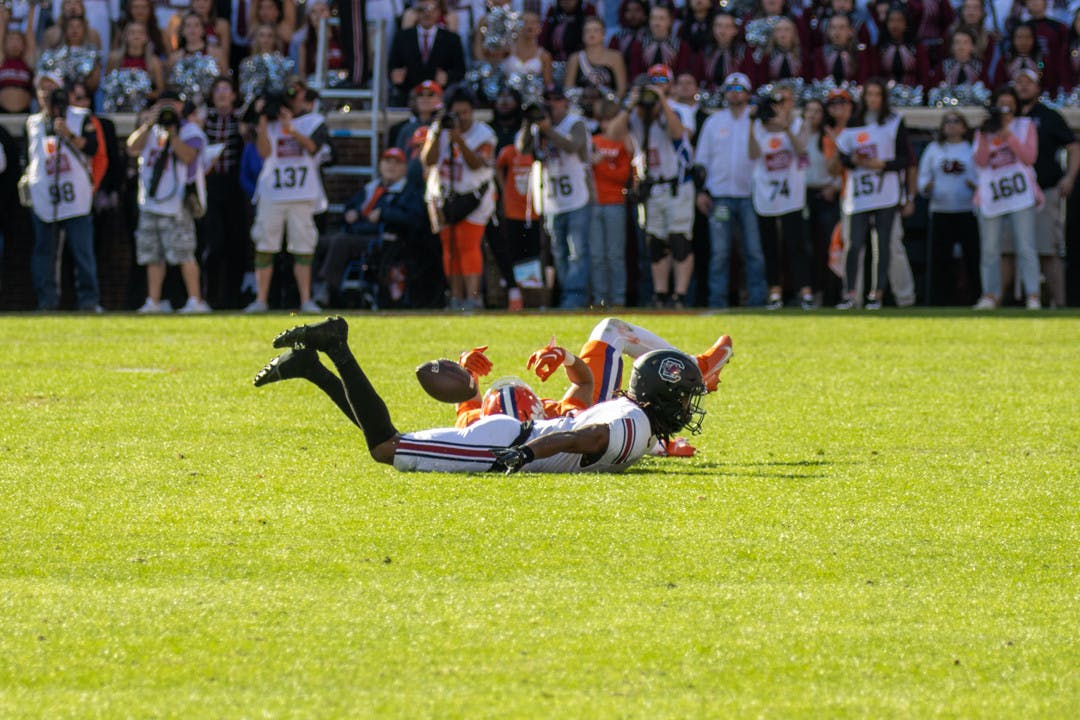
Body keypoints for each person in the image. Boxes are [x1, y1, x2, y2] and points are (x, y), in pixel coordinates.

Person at [253, 316, 710, 474]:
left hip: (510, 434)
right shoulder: (632, 427)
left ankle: (313, 367)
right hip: (507, 441)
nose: (689, 409)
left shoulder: (639, 422)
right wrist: (524, 456)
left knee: (390, 442)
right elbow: (582, 439)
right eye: (685, 398)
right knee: (385, 447)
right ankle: (336, 346)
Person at [245, 78, 329, 313]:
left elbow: (313, 148)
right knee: (265, 244)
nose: (294, 98)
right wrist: (263, 120)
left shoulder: (314, 121)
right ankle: (261, 300)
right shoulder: (270, 123)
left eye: (299, 93)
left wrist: (291, 129)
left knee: (303, 246)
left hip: (302, 193)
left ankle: (306, 299)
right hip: (273, 193)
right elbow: (264, 152)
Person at [126, 90, 211, 314]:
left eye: (170, 104)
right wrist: (148, 125)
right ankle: (152, 302)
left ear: (180, 106)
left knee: (184, 253)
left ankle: (195, 300)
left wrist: (173, 133)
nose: (167, 109)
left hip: (178, 203)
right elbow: (132, 148)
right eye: (162, 104)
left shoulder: (189, 130)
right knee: (152, 255)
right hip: (150, 201)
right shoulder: (150, 129)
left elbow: (189, 156)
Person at [24, 72, 100, 311]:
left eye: (52, 89)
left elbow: (93, 148)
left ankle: (88, 301)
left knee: (82, 252)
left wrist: (68, 133)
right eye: (42, 90)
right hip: (45, 195)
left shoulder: (80, 116)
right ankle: (46, 301)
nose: (47, 94)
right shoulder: (33, 122)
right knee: (43, 252)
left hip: (75, 195)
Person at [832, 78, 910, 310]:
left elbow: (905, 159)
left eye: (877, 94)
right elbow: (843, 155)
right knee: (854, 244)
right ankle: (850, 294)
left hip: (885, 191)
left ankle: (877, 294)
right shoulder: (853, 124)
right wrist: (854, 161)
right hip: (859, 194)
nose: (873, 99)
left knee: (883, 244)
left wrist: (882, 164)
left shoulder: (894, 122)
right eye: (869, 94)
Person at [315, 147, 425, 308]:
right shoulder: (371, 188)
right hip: (355, 232)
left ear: (404, 168)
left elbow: (414, 219)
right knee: (316, 242)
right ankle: (309, 289)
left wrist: (384, 213)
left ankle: (327, 289)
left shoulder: (407, 191)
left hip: (382, 239)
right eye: (387, 162)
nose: (391, 167)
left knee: (340, 242)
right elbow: (352, 206)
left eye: (397, 163)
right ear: (380, 165)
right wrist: (349, 213)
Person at [696, 72, 768, 308]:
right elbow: (702, 160)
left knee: (753, 251)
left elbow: (761, 153)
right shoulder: (714, 121)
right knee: (720, 253)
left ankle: (757, 299)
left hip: (751, 195)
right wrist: (701, 191)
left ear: (748, 93)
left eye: (740, 89)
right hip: (720, 196)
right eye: (730, 89)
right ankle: (717, 301)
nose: (735, 93)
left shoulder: (758, 120)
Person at [421, 84, 495, 311]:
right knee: (449, 247)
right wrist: (437, 134)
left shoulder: (485, 134)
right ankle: (455, 297)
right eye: (457, 113)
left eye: (465, 112)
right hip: (443, 195)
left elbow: (475, 164)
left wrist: (458, 140)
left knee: (468, 245)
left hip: (473, 197)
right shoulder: (438, 128)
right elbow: (427, 160)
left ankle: (472, 298)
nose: (461, 118)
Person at [1012, 67, 1078, 308]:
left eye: (1028, 82)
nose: (1023, 87)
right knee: (1006, 250)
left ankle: (1059, 304)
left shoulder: (1050, 116)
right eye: (1018, 82)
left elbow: (1073, 146)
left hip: (1045, 190)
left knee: (1047, 248)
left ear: (1038, 87)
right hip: (1012, 195)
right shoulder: (1008, 117)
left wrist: (1069, 177)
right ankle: (1002, 301)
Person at [971, 85, 1041, 310]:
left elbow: (1029, 157)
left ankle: (1033, 295)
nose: (1006, 107)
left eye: (1010, 103)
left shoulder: (1025, 126)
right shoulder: (984, 131)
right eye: (1002, 103)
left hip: (1020, 195)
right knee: (990, 248)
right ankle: (990, 294)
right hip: (992, 196)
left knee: (1026, 246)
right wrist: (986, 135)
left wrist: (1008, 136)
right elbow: (980, 161)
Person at [748, 85, 814, 310]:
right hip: (766, 194)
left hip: (791, 194)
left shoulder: (798, 124)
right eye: (776, 102)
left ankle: (804, 291)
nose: (780, 106)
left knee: (796, 245)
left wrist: (785, 128)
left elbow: (801, 149)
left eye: (784, 100)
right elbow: (753, 154)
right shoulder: (758, 126)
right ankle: (774, 293)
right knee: (770, 246)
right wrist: (752, 122)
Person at [530, 84, 593, 309]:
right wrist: (528, 123)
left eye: (556, 99)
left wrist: (548, 130)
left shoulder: (575, 123)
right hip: (552, 200)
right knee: (559, 253)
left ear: (565, 102)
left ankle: (574, 298)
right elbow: (521, 148)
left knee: (577, 251)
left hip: (577, 197)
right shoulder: (537, 126)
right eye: (547, 99)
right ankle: (568, 296)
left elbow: (572, 145)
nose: (551, 104)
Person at [917, 111, 980, 306]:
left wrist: (975, 186)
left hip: (967, 210)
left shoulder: (972, 148)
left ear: (964, 126)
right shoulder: (934, 149)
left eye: (956, 121)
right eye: (948, 122)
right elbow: (923, 177)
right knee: (939, 259)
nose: (952, 126)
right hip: (941, 210)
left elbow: (981, 174)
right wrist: (927, 187)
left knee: (972, 257)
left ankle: (975, 297)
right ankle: (936, 300)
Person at [200, 75, 248, 309]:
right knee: (213, 243)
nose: (221, 94)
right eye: (217, 89)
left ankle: (232, 297)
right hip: (211, 185)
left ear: (233, 95)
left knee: (236, 243)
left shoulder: (241, 120)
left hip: (234, 186)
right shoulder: (203, 120)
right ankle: (209, 296)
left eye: (226, 89)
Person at [588, 99, 634, 308]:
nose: (607, 125)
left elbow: (623, 176)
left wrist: (602, 166)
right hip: (594, 203)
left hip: (615, 202)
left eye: (611, 120)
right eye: (604, 120)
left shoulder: (624, 144)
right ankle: (600, 300)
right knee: (597, 256)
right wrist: (606, 167)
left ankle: (618, 299)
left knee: (615, 255)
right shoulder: (594, 140)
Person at [387, 0, 466, 107]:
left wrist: (448, 77)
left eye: (431, 9)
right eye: (421, 9)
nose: (427, 13)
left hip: (441, 96)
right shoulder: (402, 37)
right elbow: (392, 66)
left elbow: (460, 70)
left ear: (439, 12)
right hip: (408, 97)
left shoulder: (451, 39)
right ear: (416, 12)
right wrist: (395, 74)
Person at [805, 95, 844, 307]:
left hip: (826, 195)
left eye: (817, 111)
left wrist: (835, 186)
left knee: (829, 247)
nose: (812, 115)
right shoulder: (798, 134)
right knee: (808, 248)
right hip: (802, 197)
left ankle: (832, 295)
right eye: (808, 111)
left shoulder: (827, 137)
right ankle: (813, 293)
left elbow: (838, 166)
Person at [627, 3, 703, 80]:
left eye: (661, 18)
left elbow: (681, 73)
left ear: (670, 21)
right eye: (653, 18)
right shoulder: (639, 45)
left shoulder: (681, 46)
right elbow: (635, 74)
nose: (656, 23)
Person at [564, 15, 627, 99]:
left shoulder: (615, 57)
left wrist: (611, 103)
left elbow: (621, 89)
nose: (591, 34)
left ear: (603, 34)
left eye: (596, 30)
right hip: (581, 105)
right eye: (588, 31)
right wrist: (583, 93)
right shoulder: (575, 58)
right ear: (582, 35)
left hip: (608, 106)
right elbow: (568, 89)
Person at [105, 21, 166, 101]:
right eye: (132, 32)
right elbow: (107, 84)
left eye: (141, 33)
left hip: (145, 107)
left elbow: (160, 90)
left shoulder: (154, 62)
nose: (136, 36)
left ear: (146, 38)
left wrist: (144, 95)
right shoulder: (114, 59)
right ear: (125, 37)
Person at [501, 10, 554, 88]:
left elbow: (548, 85)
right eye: (524, 22)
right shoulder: (506, 49)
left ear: (540, 28)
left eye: (533, 22)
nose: (529, 26)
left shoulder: (545, 55)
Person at [0, 6, 34, 114]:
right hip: (2, 114)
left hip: (25, 113)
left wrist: (31, 8)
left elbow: (29, 31)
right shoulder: (2, 61)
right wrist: (2, 19)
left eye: (18, 40)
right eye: (11, 39)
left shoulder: (27, 62)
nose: (14, 44)